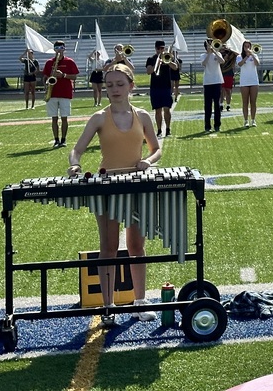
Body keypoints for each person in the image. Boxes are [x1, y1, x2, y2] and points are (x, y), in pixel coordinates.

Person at [67, 63, 161, 326]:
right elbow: (77, 150)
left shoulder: (142, 116)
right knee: (107, 248)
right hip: (108, 189)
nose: (114, 89)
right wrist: (75, 164)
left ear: (131, 86)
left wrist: (148, 162)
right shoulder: (98, 117)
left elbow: (156, 149)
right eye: (109, 85)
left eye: (120, 84)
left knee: (136, 247)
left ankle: (140, 302)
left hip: (136, 186)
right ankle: (107, 307)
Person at [43, 41, 79, 149]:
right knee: (54, 118)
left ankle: (63, 139)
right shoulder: (49, 62)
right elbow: (45, 77)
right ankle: (56, 139)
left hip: (65, 93)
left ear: (64, 49)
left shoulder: (69, 62)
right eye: (57, 47)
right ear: (54, 49)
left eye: (61, 47)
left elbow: (74, 77)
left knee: (64, 118)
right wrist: (48, 81)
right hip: (52, 92)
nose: (59, 49)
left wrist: (63, 75)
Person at [146, 40, 179, 138]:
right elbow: (148, 71)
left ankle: (168, 129)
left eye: (162, 48)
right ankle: (159, 130)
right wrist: (157, 62)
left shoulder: (168, 57)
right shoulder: (151, 59)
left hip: (166, 87)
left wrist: (167, 61)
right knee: (157, 110)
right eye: (159, 48)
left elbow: (175, 67)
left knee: (167, 109)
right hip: (155, 87)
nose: (161, 50)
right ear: (155, 49)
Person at [199, 38, 224, 132]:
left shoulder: (217, 54)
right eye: (209, 45)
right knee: (207, 105)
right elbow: (204, 64)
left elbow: (222, 61)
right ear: (206, 47)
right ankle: (207, 126)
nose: (211, 46)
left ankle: (217, 125)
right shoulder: (203, 55)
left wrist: (214, 52)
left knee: (217, 105)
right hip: (208, 82)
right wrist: (209, 53)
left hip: (217, 81)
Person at [237, 40, 261, 125]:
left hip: (254, 81)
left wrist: (252, 55)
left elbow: (257, 64)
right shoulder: (240, 56)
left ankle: (253, 120)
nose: (247, 48)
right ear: (243, 48)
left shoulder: (254, 55)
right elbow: (239, 64)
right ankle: (246, 120)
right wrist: (246, 57)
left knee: (253, 102)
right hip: (244, 81)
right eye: (245, 46)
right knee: (245, 102)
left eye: (248, 46)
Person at [220, 47, 236, 112]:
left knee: (228, 90)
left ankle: (228, 105)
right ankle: (221, 104)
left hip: (229, 74)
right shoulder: (219, 53)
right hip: (221, 73)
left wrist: (230, 50)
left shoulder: (231, 53)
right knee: (221, 90)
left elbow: (237, 54)